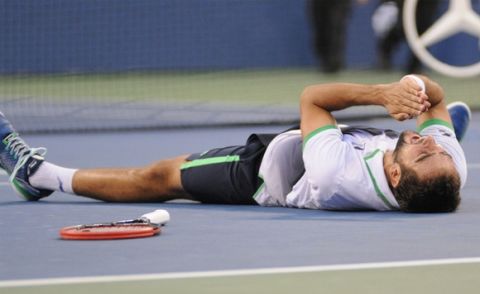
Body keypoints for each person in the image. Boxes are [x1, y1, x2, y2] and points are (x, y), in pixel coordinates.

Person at [0, 75, 471, 212]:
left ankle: (39, 177)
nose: (425, 142)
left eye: (422, 149)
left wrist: (385, 94)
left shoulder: (335, 176)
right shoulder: (452, 169)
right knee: (438, 122)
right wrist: (422, 94)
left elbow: (313, 99)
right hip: (363, 142)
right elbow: (438, 99)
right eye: (437, 147)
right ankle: (446, 129)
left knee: (159, 177)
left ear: (393, 175)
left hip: (270, 169)